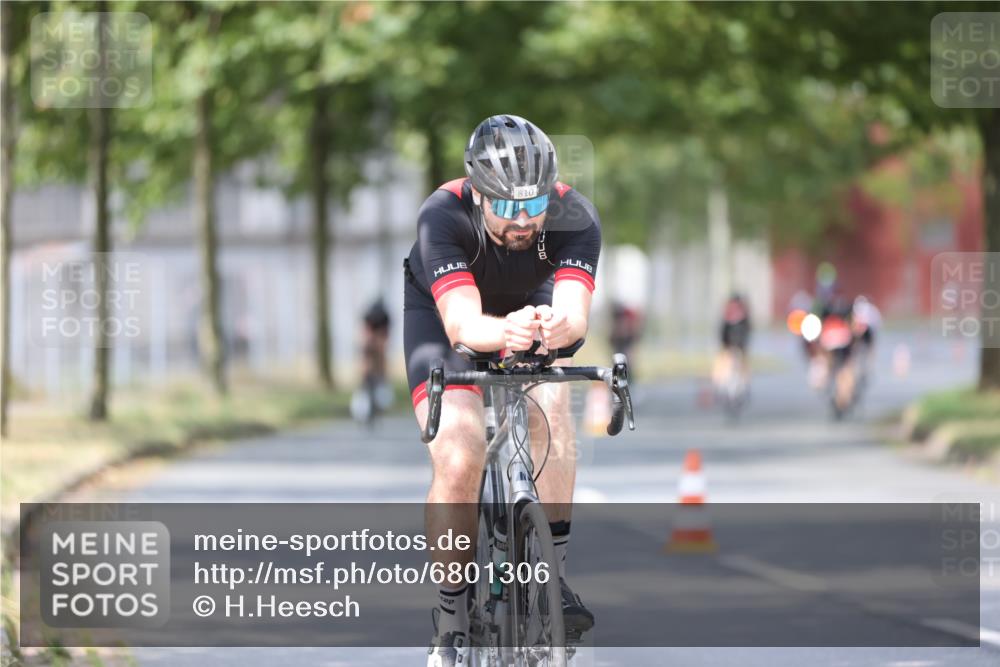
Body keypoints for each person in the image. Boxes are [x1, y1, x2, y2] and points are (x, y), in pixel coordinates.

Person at [403, 115, 601, 667]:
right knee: (461, 450)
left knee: (554, 403)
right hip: (443, 320)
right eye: (508, 206)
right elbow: (464, 326)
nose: (523, 220)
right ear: (479, 193)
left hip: (529, 307)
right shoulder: (442, 213)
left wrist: (559, 329)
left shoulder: (574, 216)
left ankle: (553, 581)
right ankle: (452, 618)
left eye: (535, 205)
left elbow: (574, 314)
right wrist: (505, 332)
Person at [351, 298, 392, 425]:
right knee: (366, 354)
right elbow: (365, 335)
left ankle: (381, 380)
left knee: (380, 354)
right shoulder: (368, 317)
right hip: (371, 331)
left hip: (381, 331)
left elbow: (384, 338)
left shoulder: (385, 318)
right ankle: (365, 381)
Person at [712, 292, 752, 398]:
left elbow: (724, 330)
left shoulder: (732, 313)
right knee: (728, 362)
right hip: (735, 344)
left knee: (734, 363)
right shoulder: (738, 313)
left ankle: (720, 383)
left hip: (735, 344)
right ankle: (720, 382)